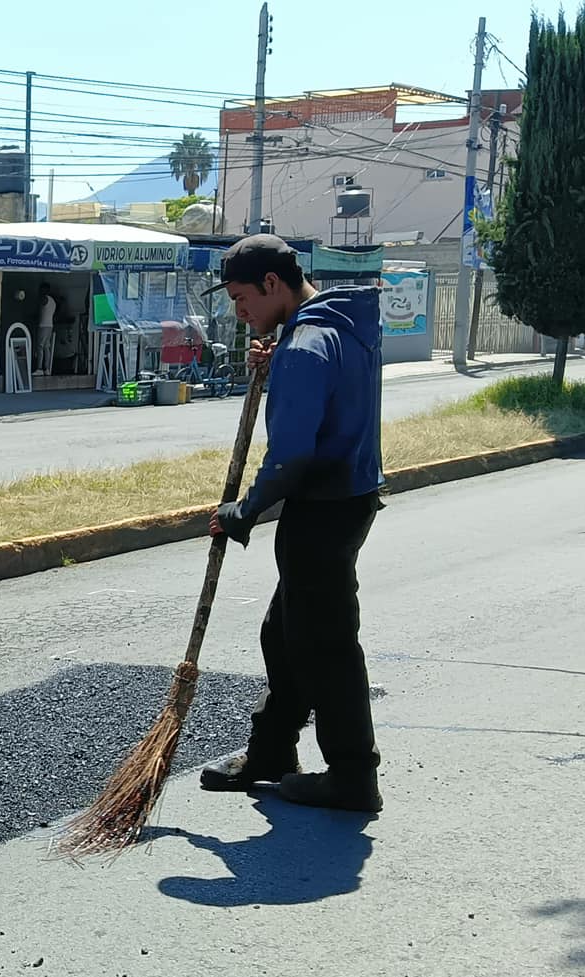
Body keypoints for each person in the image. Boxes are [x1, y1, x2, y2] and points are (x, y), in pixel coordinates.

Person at [200, 235, 385, 814]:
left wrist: (245, 509)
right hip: (348, 499)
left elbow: (291, 454)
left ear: (273, 285)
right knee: (284, 637)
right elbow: (323, 390)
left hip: (322, 507)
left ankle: (354, 775)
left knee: (324, 646)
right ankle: (272, 753)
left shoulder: (306, 343)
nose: (239, 312)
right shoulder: (335, 325)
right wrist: (276, 356)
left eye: (241, 298)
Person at [36, 282, 59, 375]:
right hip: (50, 325)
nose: (40, 291)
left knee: (40, 347)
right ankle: (47, 369)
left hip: (43, 325)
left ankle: (39, 368)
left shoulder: (44, 299)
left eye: (41, 289)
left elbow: (38, 308)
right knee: (46, 347)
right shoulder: (53, 301)